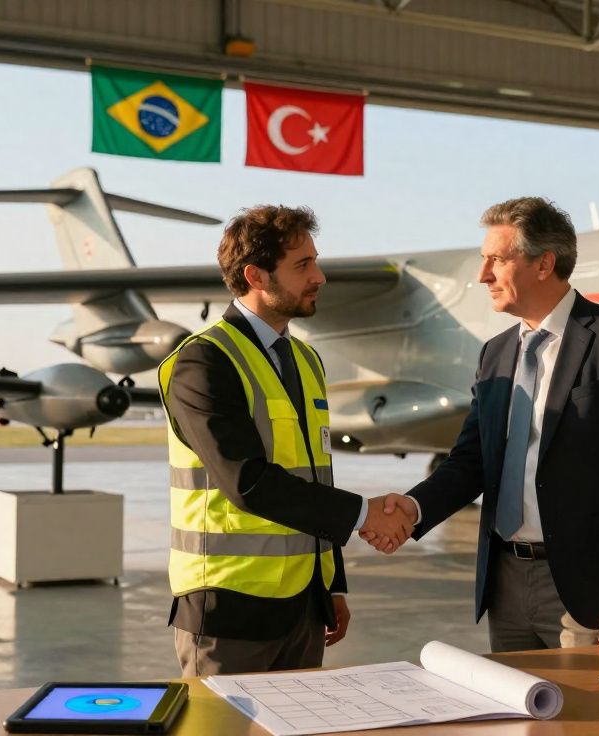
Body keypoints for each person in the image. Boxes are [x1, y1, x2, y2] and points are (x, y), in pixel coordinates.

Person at [363, 196, 599, 652]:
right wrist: (413, 509)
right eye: (482, 260)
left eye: (497, 259)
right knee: (519, 719)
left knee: (586, 722)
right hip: (505, 584)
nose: (482, 275)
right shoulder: (495, 353)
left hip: (590, 592)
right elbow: (471, 462)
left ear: (543, 264)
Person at [159, 205, 415, 676]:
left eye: (315, 260)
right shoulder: (204, 362)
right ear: (256, 275)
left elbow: (314, 474)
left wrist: (332, 585)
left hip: (304, 608)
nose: (319, 276)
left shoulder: (304, 359)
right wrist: (363, 514)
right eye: (302, 265)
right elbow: (248, 482)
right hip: (228, 611)